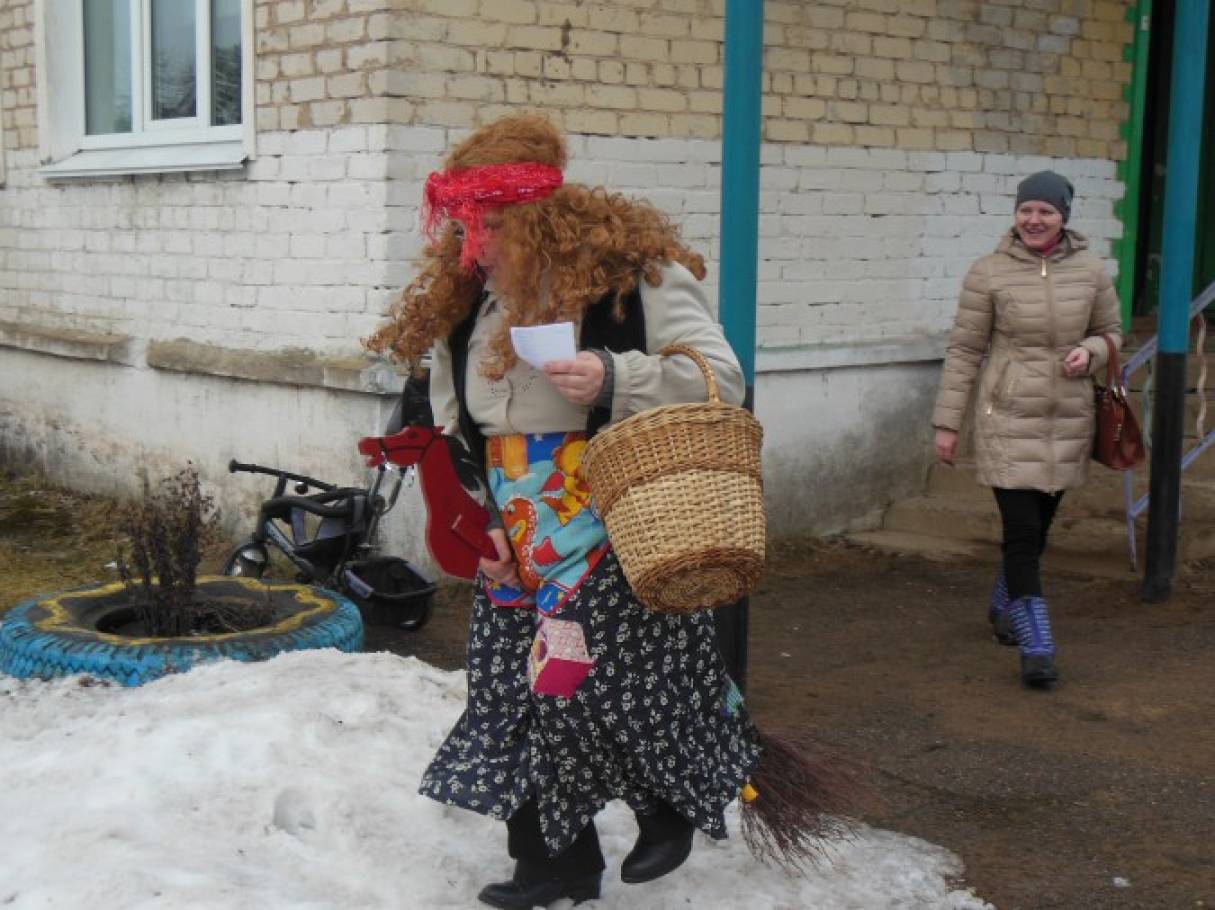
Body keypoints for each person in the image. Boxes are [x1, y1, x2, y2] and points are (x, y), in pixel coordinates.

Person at [367, 115, 849, 908]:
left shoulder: (636, 281)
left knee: (604, 680)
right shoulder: (466, 305)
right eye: (463, 225)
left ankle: (667, 802)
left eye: (489, 226)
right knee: (514, 690)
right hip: (516, 532)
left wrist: (617, 378)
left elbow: (720, 379)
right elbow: (460, 430)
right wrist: (482, 521)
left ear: (535, 218)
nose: (473, 245)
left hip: (618, 518)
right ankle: (553, 865)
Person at [931, 170, 1122, 687]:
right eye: (1026, 210)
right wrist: (948, 423)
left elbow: (1112, 332)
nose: (1034, 220)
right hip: (1007, 416)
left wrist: (1094, 350)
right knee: (1021, 532)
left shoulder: (1090, 270)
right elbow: (966, 349)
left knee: (1039, 530)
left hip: (1068, 417)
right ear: (1016, 214)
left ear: (1064, 217)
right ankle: (1037, 644)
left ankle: (1003, 602)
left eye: (1046, 211)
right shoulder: (988, 271)